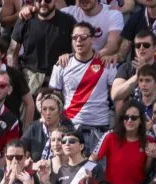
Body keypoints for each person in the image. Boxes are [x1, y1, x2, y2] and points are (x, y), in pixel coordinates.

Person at [48, 21, 118, 152]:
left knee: (98, 165)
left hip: (100, 127)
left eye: (83, 37)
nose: (78, 41)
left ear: (92, 39)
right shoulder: (61, 64)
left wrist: (117, 127)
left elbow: (116, 98)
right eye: (75, 37)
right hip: (70, 127)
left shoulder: (107, 64)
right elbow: (54, 99)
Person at [8, 0, 76, 93]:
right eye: (39, 0)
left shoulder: (68, 21)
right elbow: (12, 53)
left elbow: (77, 52)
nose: (43, 3)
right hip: (30, 79)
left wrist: (70, 58)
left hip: (60, 79)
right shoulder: (25, 19)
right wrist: (15, 80)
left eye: (48, 0)